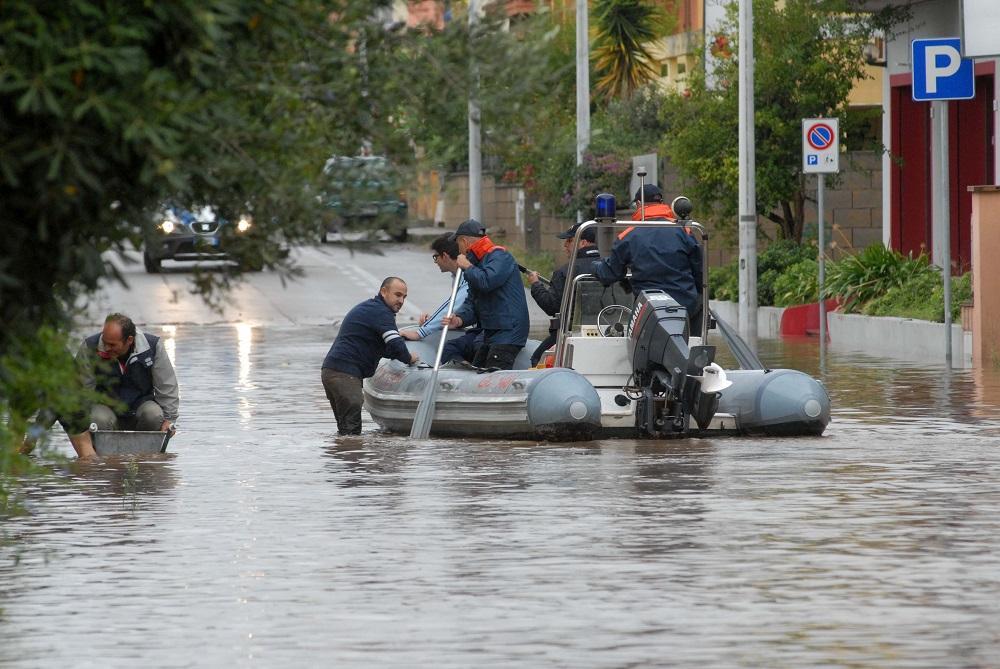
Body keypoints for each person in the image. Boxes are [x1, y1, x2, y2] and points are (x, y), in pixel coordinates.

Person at [61, 313, 179, 459]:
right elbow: (82, 391)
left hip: (140, 406)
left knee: (154, 415)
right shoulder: (90, 347)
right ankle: (106, 461)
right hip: (105, 408)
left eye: (112, 345)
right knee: (98, 418)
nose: (106, 347)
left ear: (129, 340)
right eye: (105, 342)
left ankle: (146, 460)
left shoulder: (153, 346)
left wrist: (170, 419)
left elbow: (167, 385)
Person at [592, 185, 704, 335]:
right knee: (697, 311)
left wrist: (594, 265)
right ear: (662, 203)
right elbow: (700, 273)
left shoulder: (629, 235)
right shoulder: (685, 231)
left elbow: (609, 274)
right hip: (685, 307)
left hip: (650, 311)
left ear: (638, 205)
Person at [321, 276, 419, 435]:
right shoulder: (381, 312)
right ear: (384, 292)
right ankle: (351, 456)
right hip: (344, 375)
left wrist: (401, 337)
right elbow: (394, 344)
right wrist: (409, 358)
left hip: (332, 372)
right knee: (352, 434)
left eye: (404, 297)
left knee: (345, 432)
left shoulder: (373, 309)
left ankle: (340, 455)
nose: (401, 301)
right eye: (398, 295)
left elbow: (383, 348)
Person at [441, 219, 529, 370]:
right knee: (477, 366)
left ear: (464, 241)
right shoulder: (478, 264)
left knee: (492, 373)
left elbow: (486, 282)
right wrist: (460, 319)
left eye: (458, 244)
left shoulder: (499, 256)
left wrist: (468, 267)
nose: (458, 250)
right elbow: (473, 300)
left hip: (509, 330)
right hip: (492, 331)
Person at [526, 222, 602, 366]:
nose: (565, 246)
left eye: (569, 241)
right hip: (605, 331)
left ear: (583, 242)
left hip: (569, 332)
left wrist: (536, 285)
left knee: (537, 358)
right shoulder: (609, 267)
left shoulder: (564, 272)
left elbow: (552, 306)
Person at [400, 234, 483, 364]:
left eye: (435, 257)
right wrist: (433, 321)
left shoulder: (467, 275)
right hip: (482, 328)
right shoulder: (457, 276)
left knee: (449, 349)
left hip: (490, 332)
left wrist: (421, 332)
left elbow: (454, 305)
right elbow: (459, 310)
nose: (435, 262)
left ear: (444, 256)